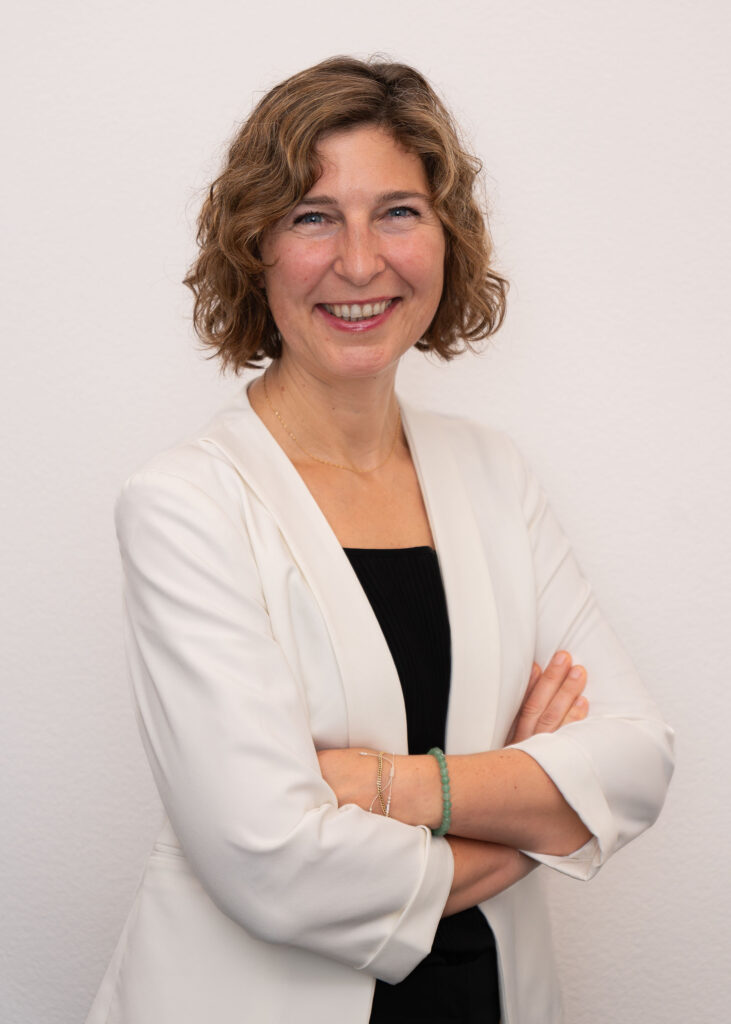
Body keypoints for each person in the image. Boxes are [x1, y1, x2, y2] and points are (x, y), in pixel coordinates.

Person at [86, 56, 674, 1024]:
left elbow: (635, 759)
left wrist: (393, 786)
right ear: (254, 248)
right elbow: (279, 866)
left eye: (397, 211)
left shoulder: (493, 474)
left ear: (446, 238)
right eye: (312, 217)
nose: (360, 263)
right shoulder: (186, 503)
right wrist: (532, 808)